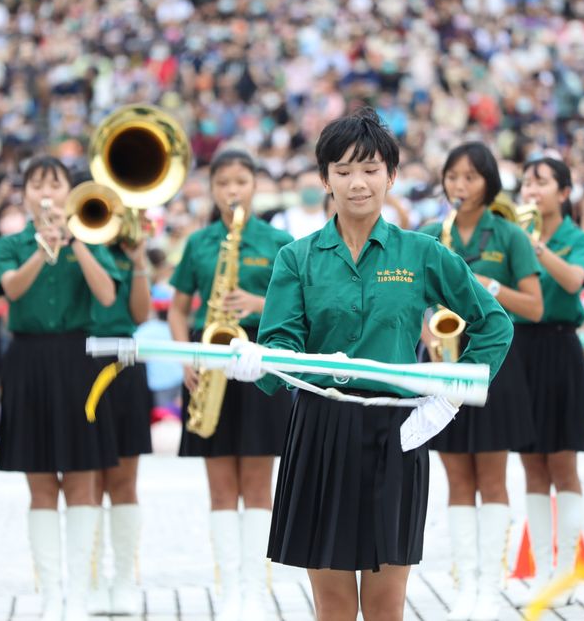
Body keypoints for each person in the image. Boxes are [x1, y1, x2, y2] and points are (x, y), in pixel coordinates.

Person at [251, 109, 513, 620]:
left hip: (398, 431)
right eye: (343, 170)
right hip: (319, 428)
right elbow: (278, 344)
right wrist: (263, 364)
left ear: (392, 176)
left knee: (385, 603)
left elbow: (494, 324)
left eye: (370, 169)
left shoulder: (421, 252)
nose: (357, 183)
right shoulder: (296, 258)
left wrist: (446, 402)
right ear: (324, 177)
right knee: (331, 605)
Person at [166, 149, 295, 621]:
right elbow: (178, 308)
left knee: (259, 483)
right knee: (220, 485)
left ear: (255, 185)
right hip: (208, 360)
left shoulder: (280, 241)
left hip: (260, 360)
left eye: (241, 181)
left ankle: (255, 590)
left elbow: (300, 305)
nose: (232, 191)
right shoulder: (200, 243)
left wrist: (258, 303)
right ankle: (229, 590)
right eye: (223, 183)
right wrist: (185, 356)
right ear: (212, 188)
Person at [0, 156, 120, 621]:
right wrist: (40, 248)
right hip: (27, 359)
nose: (45, 191)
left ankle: (80, 595)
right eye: (36, 183)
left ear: (70, 191)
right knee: (41, 480)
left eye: (55, 183)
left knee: (83, 476)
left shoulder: (92, 233)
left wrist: (76, 242)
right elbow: (10, 288)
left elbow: (107, 295)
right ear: (24, 194)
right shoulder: (10, 244)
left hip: (78, 359)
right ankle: (50, 594)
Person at [417, 142, 541, 620]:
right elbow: (414, 299)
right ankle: (464, 584)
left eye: (470, 177)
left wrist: (487, 286)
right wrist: (427, 324)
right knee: (456, 478)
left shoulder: (508, 235)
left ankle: (490, 585)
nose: (459, 186)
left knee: (491, 477)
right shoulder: (432, 233)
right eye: (452, 177)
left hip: (495, 367)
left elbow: (534, 305)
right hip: (444, 365)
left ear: (489, 183)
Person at [514, 157, 584, 602]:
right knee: (530, 464)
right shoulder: (510, 236)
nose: (531, 189)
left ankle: (567, 569)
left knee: (563, 463)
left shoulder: (575, 238)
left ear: (563, 193)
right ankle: (542, 569)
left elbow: (573, 282)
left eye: (541, 182)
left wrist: (537, 248)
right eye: (527, 181)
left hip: (561, 347)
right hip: (521, 350)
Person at [86, 215, 153, 616]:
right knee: (88, 477)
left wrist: (140, 260)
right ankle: (92, 580)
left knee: (125, 479)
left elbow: (141, 315)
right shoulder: (70, 249)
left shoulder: (126, 249)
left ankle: (124, 580)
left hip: (125, 358)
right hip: (81, 358)